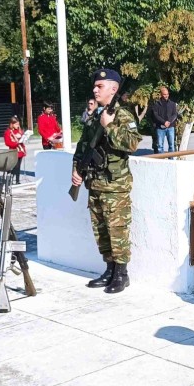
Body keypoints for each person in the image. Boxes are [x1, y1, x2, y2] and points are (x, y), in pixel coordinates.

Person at [71, 69, 142, 294]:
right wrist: (76, 170)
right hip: (94, 183)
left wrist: (109, 126)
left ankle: (122, 274)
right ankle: (109, 269)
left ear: (114, 89)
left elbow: (132, 144)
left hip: (115, 185)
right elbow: (83, 146)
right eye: (95, 86)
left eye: (99, 86)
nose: (94, 89)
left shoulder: (123, 115)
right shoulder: (93, 116)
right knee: (100, 230)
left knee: (117, 229)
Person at [150, 86, 178, 154]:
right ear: (161, 95)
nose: (166, 96)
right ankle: (161, 161)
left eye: (167, 94)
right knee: (160, 146)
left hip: (170, 127)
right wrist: (164, 122)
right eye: (165, 94)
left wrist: (169, 122)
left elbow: (175, 114)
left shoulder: (172, 104)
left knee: (171, 146)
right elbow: (155, 115)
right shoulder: (156, 104)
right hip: (160, 128)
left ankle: (171, 161)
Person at [3, 116, 26, 185]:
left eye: (18, 124)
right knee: (14, 166)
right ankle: (10, 179)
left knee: (18, 166)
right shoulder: (8, 132)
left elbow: (22, 138)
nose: (18, 126)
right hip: (14, 151)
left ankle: (17, 180)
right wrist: (16, 143)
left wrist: (23, 138)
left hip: (20, 150)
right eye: (16, 124)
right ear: (11, 124)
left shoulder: (19, 131)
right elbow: (7, 143)